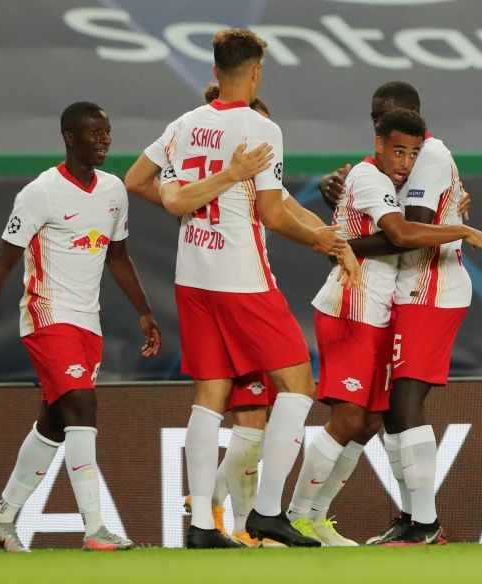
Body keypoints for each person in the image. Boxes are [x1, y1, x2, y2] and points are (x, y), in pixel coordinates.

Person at [125, 28, 360, 549]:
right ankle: (268, 513)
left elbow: (135, 182)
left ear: (214, 72)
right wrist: (322, 241)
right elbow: (273, 215)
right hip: (242, 278)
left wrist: (176, 193)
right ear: (255, 73)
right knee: (298, 385)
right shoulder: (260, 128)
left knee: (209, 398)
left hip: (193, 276)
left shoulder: (184, 125)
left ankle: (204, 527)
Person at [0, 102, 162, 552]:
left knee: (53, 421)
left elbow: (118, 256)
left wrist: (144, 311)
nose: (104, 140)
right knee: (82, 408)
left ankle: (1, 517)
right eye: (94, 133)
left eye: (107, 131)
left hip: (89, 322)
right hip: (48, 316)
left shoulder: (113, 191)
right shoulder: (39, 193)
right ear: (70, 138)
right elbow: (1, 265)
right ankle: (95, 528)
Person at [287, 107, 482, 546]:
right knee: (354, 419)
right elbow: (399, 230)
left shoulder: (415, 167)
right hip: (357, 305)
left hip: (402, 303)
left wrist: (343, 240)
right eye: (398, 149)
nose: (405, 160)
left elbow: (402, 229)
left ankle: (326, 519)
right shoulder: (372, 177)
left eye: (412, 151)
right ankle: (297, 518)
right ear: (378, 140)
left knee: (379, 417)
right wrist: (458, 229)